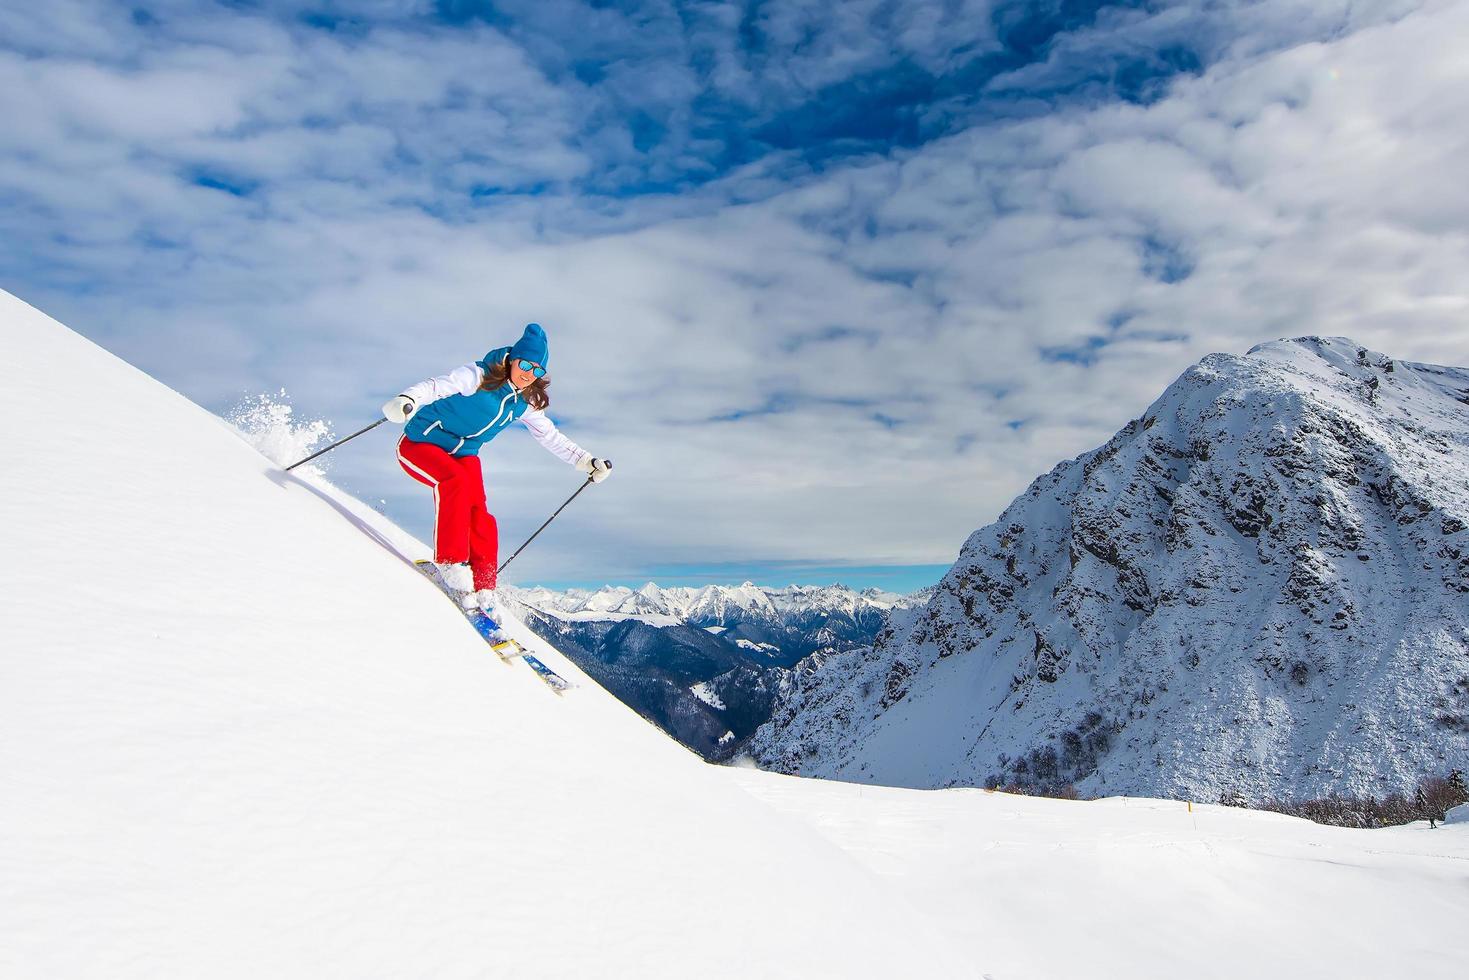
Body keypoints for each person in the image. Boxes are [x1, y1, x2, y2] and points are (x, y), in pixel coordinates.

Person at [382, 323, 610, 614]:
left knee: (480, 511)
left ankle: (484, 584)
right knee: (455, 483)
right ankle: (452, 563)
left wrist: (586, 461)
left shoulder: (525, 402)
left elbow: (550, 435)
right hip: (420, 443)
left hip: (463, 453)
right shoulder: (478, 376)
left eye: (537, 370)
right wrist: (408, 399)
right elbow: (437, 386)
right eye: (525, 364)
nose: (529, 373)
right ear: (513, 359)